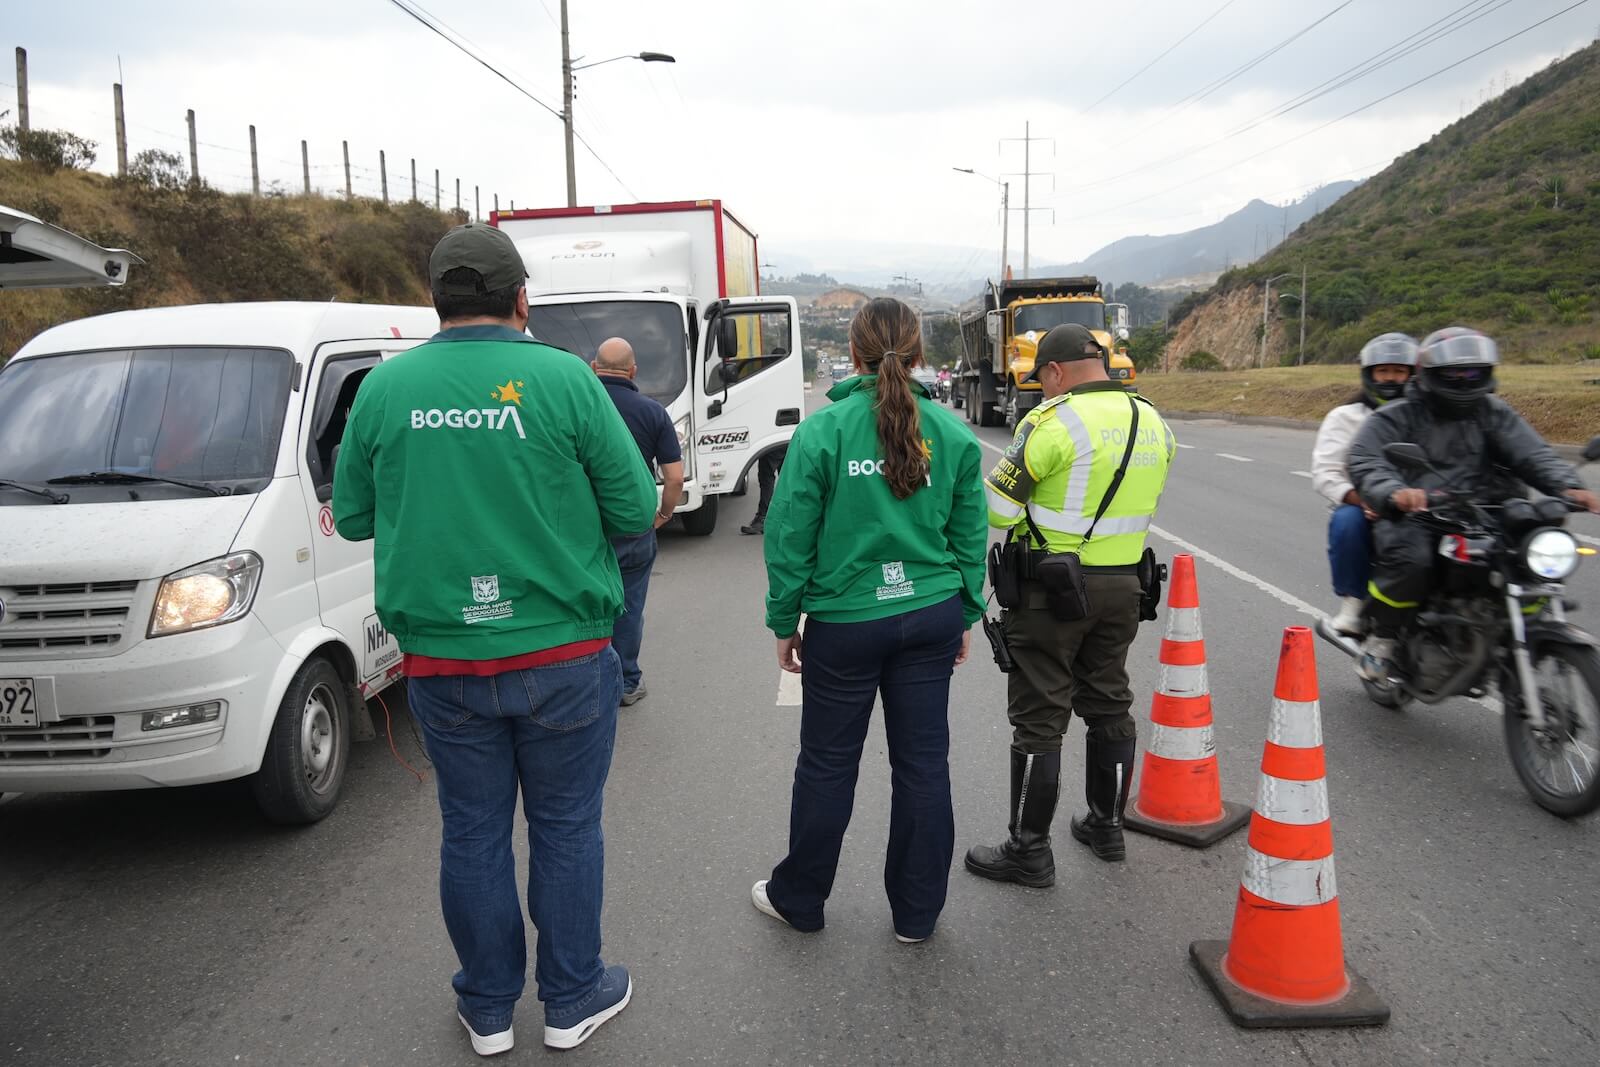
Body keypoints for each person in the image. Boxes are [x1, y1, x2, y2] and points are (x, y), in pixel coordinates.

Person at [333, 223, 657, 1056]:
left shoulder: (383, 388)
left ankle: (485, 1009)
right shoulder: (565, 380)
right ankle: (572, 997)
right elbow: (632, 509)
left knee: (471, 828)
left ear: (436, 302)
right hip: (565, 652)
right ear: (522, 299)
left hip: (443, 661)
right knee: (566, 824)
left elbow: (358, 516)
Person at [752, 296, 986, 943]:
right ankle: (917, 915)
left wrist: (783, 620)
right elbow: (970, 537)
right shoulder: (955, 434)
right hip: (930, 612)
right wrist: (965, 609)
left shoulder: (823, 432)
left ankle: (800, 898)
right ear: (918, 356)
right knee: (923, 765)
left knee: (827, 764)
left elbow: (789, 532)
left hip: (846, 623)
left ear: (853, 354)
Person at [965, 323, 1175, 881]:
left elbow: (999, 512)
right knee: (1109, 700)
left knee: (1040, 716)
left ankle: (1028, 849)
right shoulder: (1151, 420)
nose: (1042, 391)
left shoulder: (1050, 424)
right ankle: (1106, 828)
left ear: (1055, 371)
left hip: (1051, 591)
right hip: (1126, 587)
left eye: (1043, 381)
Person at [1347, 326, 1598, 680]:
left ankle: (1521, 628)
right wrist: (1394, 491)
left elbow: (1533, 454)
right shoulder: (1398, 415)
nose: (1464, 381)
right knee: (1412, 562)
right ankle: (1383, 638)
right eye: (1454, 374)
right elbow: (1365, 459)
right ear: (1430, 374)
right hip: (1420, 514)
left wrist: (1569, 486)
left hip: (1489, 510)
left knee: (1535, 546)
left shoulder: (1493, 412)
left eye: (1472, 373)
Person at [593, 336, 685, 705]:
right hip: (633, 525)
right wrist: (663, 514)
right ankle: (627, 682)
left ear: (594, 367)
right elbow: (675, 477)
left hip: (582, 527)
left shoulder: (577, 407)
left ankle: (589, 681)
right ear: (633, 371)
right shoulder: (651, 411)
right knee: (628, 606)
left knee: (586, 603)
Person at [1311, 333, 1417, 635]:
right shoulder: (1345, 417)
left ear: (1413, 374)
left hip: (1420, 506)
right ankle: (1353, 604)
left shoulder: (1426, 417)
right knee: (1346, 522)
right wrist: (1363, 500)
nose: (1391, 379)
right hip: (1364, 506)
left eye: (1399, 371)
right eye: (1383, 371)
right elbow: (1326, 473)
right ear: (1370, 374)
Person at [741, 445, 787, 536]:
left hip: (773, 440)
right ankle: (787, 518)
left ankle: (763, 518)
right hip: (788, 438)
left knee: (766, 476)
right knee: (787, 478)